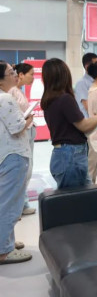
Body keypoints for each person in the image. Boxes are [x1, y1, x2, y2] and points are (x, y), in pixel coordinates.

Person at [41, 58, 97, 188]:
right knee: (75, 197)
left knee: (80, 194)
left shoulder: (49, 99)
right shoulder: (65, 99)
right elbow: (84, 125)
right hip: (71, 155)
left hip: (63, 154)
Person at [0, 61, 33, 265]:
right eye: (11, 72)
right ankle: (3, 250)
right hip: (14, 154)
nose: (15, 75)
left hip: (5, 154)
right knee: (10, 204)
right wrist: (27, 120)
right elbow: (17, 127)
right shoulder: (6, 98)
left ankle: (6, 242)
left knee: (5, 201)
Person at [9, 63, 36, 216]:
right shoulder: (11, 92)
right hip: (22, 131)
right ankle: (19, 206)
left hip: (28, 130)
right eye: (31, 74)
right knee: (24, 169)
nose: (33, 77)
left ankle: (21, 204)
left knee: (27, 169)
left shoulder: (19, 90)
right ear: (20, 75)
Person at [74, 53, 97, 181]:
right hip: (91, 126)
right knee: (92, 162)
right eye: (96, 63)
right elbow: (88, 106)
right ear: (87, 66)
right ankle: (90, 188)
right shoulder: (82, 83)